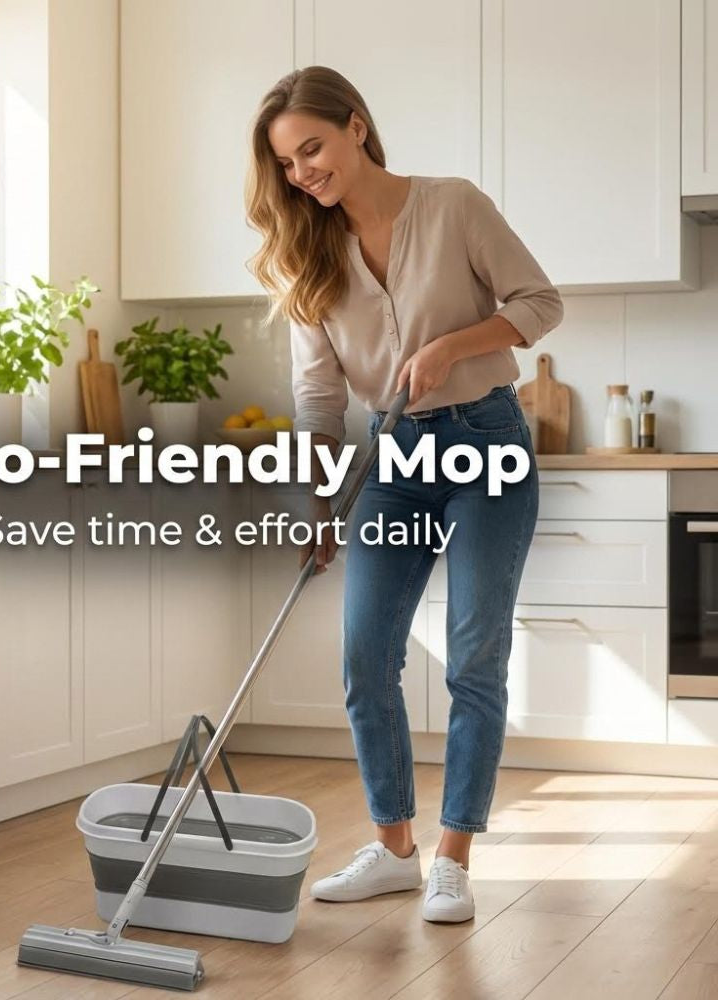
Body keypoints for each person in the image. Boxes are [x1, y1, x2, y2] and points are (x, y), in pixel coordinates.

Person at [244, 66, 563, 923]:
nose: (304, 172)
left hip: (487, 441)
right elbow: (317, 397)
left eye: (312, 148)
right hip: (394, 458)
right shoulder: (306, 254)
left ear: (355, 126)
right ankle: (393, 849)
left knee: (472, 657)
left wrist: (456, 344)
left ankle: (453, 860)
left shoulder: (452, 204)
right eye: (288, 165)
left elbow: (541, 302)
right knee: (364, 658)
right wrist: (316, 504)